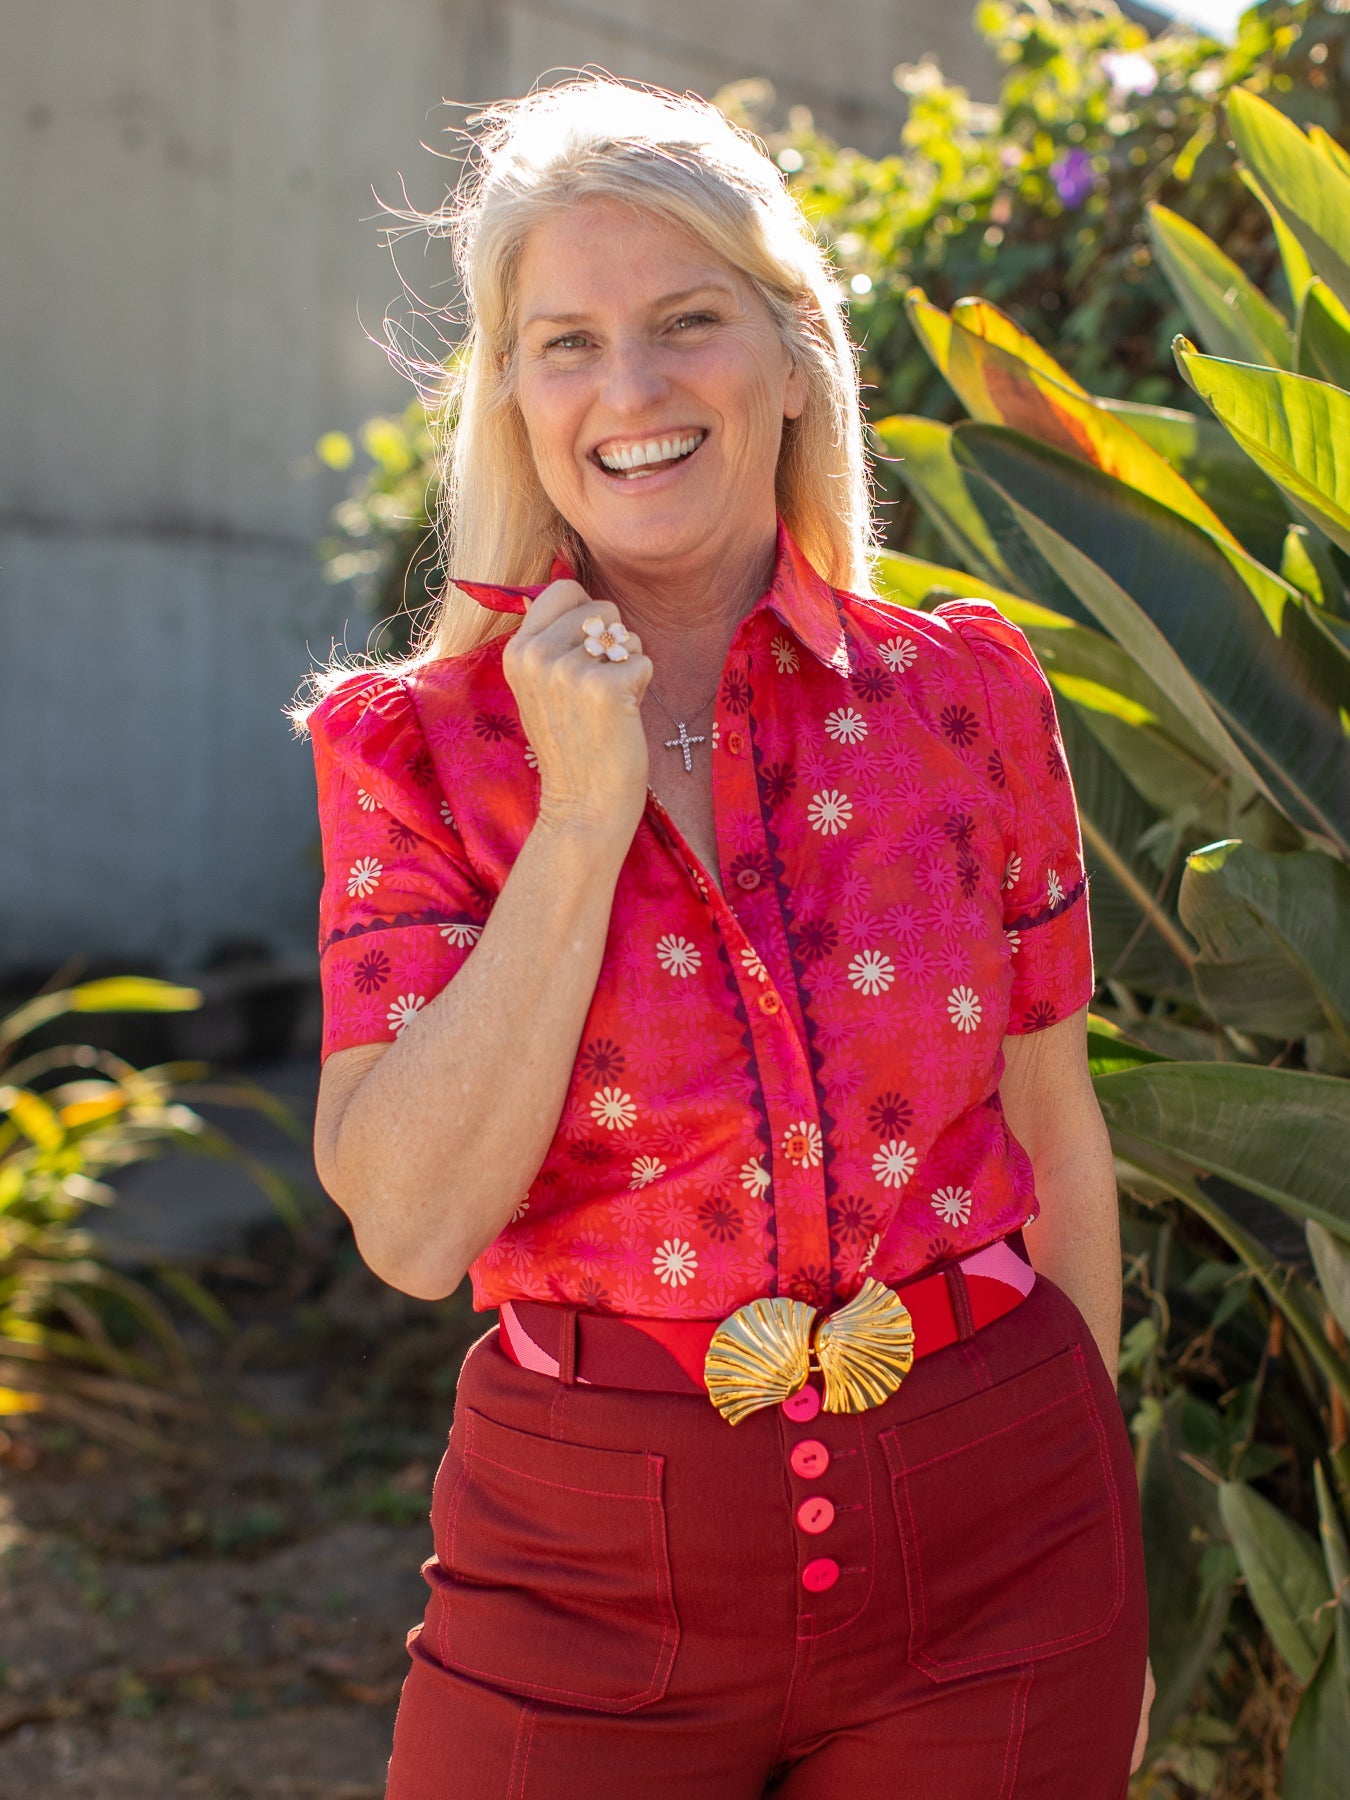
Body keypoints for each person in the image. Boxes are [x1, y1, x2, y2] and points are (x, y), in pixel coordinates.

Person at [303, 77, 1152, 1798]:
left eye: (685, 322)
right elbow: (406, 1227)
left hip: (1006, 1542)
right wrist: (582, 813)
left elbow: (1054, 1131)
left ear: (785, 355)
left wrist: (1093, 1543)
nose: (628, 390)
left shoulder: (965, 697)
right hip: (581, 1571)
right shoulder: (416, 751)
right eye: (566, 341)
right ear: (512, 392)